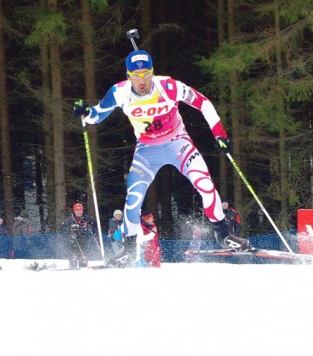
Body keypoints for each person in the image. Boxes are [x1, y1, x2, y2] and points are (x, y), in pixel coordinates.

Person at [73, 48, 253, 265]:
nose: (142, 80)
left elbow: (203, 102)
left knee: (205, 184)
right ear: (128, 75)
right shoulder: (120, 92)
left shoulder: (169, 87)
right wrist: (86, 113)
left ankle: (223, 234)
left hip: (178, 143)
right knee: (133, 199)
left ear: (152, 72)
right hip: (147, 151)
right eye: (136, 76)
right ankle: (129, 249)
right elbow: (97, 115)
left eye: (146, 74)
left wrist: (219, 134)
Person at [59, 202, 98, 268]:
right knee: (73, 258)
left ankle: (83, 267)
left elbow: (96, 226)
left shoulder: (87, 218)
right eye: (77, 210)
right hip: (72, 242)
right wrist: (69, 233)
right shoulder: (69, 220)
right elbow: (61, 230)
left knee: (83, 259)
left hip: (84, 241)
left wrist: (94, 232)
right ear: (74, 211)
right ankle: (72, 267)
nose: (79, 212)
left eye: (81, 210)